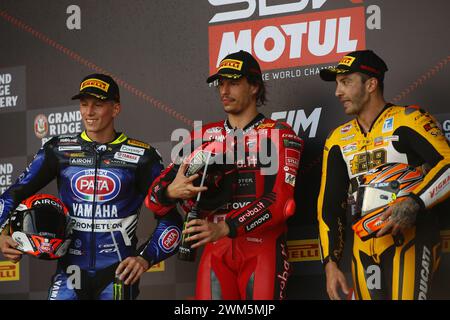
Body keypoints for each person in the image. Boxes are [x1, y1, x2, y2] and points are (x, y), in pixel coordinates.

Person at [0, 73, 182, 300]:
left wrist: (146, 258)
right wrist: (2, 232)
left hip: (118, 274)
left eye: (98, 105)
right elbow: (14, 193)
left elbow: (172, 220)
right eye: (84, 104)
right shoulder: (59, 150)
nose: (89, 112)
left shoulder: (142, 157)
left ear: (116, 109)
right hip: (69, 272)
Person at [146, 50, 303, 299]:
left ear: (254, 87)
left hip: (261, 248)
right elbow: (153, 200)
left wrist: (227, 227)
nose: (224, 90)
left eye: (234, 83)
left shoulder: (278, 133)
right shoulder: (202, 136)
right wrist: (169, 191)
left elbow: (281, 202)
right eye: (221, 83)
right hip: (214, 251)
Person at [317, 50, 450, 300]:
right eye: (336, 84)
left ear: (371, 84)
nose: (337, 92)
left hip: (410, 238)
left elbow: (448, 165)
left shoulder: (408, 120)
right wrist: (330, 263)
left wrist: (415, 202)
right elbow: (329, 205)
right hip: (363, 246)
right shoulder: (337, 139)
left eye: (346, 82)